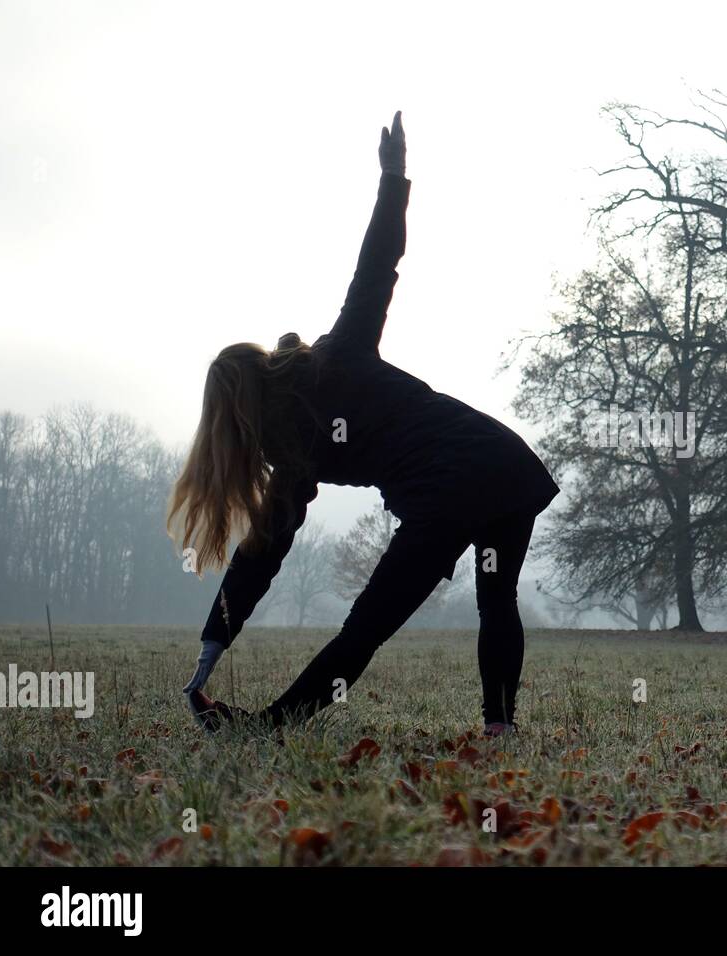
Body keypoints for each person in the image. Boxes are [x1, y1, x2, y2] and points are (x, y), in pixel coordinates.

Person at [167, 112, 557, 737]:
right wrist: (214, 641)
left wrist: (393, 180)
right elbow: (264, 552)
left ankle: (267, 729)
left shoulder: (318, 393)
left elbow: (376, 265)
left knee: (366, 628)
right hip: (502, 461)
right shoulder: (325, 375)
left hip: (449, 484)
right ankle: (499, 729)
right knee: (497, 598)